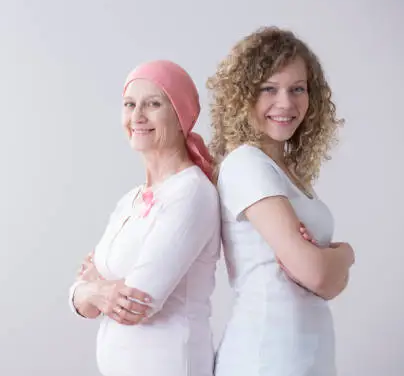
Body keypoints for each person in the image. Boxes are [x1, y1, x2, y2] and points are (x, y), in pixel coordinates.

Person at [208, 26, 356, 376]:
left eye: (297, 89)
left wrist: (325, 264)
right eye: (268, 89)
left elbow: (327, 282)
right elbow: (318, 276)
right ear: (242, 96)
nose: (286, 103)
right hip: (267, 356)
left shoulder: (283, 172)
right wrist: (346, 254)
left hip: (304, 354)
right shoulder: (246, 163)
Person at [68, 60, 221, 376]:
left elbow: (137, 304)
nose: (137, 116)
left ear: (180, 116)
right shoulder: (131, 200)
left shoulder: (191, 193)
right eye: (129, 104)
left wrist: (95, 286)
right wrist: (95, 291)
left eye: (153, 104)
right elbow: (79, 297)